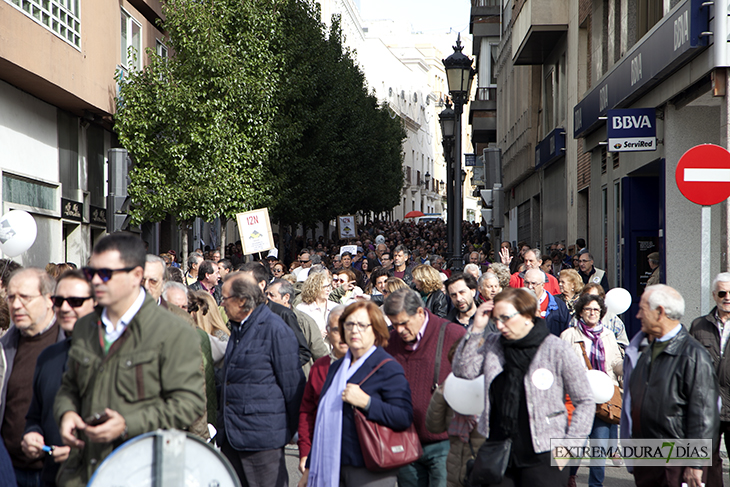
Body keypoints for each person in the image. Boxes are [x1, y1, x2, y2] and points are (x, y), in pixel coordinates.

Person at [54, 233, 205, 487]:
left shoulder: (174, 331)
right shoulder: (84, 327)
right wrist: (66, 412)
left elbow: (188, 404)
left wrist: (127, 424)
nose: (95, 282)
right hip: (84, 472)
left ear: (136, 276)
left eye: (106, 274)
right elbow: (69, 387)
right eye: (91, 273)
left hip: (141, 472)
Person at [452, 288, 594, 487]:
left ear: (527, 315)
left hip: (544, 454)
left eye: (506, 318)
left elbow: (585, 401)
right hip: (499, 450)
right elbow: (463, 370)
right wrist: (476, 329)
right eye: (496, 319)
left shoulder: (555, 348)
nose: (500, 325)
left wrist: (568, 448)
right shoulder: (493, 344)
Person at [300, 301, 413, 487]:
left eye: (362, 325)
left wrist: (367, 402)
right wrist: (310, 467)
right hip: (331, 464)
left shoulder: (387, 367)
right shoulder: (336, 367)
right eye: (349, 324)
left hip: (369, 467)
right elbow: (323, 422)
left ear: (376, 330)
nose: (354, 330)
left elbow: (403, 417)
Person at [218, 272, 305, 487]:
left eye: (225, 298)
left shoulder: (275, 329)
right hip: (234, 436)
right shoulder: (239, 328)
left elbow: (293, 387)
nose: (221, 304)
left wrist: (285, 432)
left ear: (242, 301)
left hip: (262, 440)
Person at [629, 284, 719, 487]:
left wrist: (695, 463)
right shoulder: (647, 349)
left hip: (675, 461)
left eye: (643, 309)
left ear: (660, 312)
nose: (638, 316)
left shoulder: (693, 355)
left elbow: (704, 414)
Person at [384, 289, 467, 487]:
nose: (400, 330)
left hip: (445, 443)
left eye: (405, 323)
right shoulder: (388, 341)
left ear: (420, 313)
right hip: (404, 442)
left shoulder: (453, 334)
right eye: (395, 324)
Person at [20, 270, 95, 487]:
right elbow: (35, 415)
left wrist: (80, 452)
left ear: (96, 303)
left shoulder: (117, 356)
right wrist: (32, 435)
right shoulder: (48, 356)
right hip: (51, 478)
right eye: (58, 300)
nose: (64, 308)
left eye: (75, 301)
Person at [0, 268, 64, 487]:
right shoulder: (5, 347)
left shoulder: (70, 345)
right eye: (11, 297)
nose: (16, 305)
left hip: (54, 470)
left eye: (25, 297)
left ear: (49, 300)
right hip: (7, 469)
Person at [560, 294, 623, 487]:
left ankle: (596, 485)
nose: (592, 313)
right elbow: (560, 363)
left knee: (599, 449)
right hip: (577, 397)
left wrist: (627, 365)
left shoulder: (608, 335)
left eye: (596, 309)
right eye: (588, 309)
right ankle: (569, 477)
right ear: (580, 312)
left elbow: (614, 363)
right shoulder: (569, 335)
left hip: (604, 398)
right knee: (575, 446)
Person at [688, 272, 730, 487]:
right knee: (708, 462)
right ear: (714, 295)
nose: (727, 297)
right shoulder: (698, 326)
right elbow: (687, 365)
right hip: (706, 407)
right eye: (722, 292)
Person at [297, 305, 348, 473]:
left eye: (346, 328)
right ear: (327, 332)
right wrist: (305, 452)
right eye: (336, 330)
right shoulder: (320, 367)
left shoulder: (371, 365)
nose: (342, 336)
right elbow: (307, 412)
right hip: (324, 454)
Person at [267, 278, 329, 376]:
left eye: (272, 295)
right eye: (266, 294)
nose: (268, 298)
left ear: (286, 297)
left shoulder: (303, 321)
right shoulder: (264, 318)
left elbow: (319, 352)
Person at [522, 268, 570, 337]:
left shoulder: (559, 305)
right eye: (526, 283)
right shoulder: (518, 304)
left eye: (533, 283)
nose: (529, 287)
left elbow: (566, 332)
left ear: (543, 285)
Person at [297, 271, 338, 337]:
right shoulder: (302, 309)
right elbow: (298, 333)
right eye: (325, 287)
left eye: (329, 286)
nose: (328, 289)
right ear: (314, 289)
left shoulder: (335, 307)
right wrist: (316, 335)